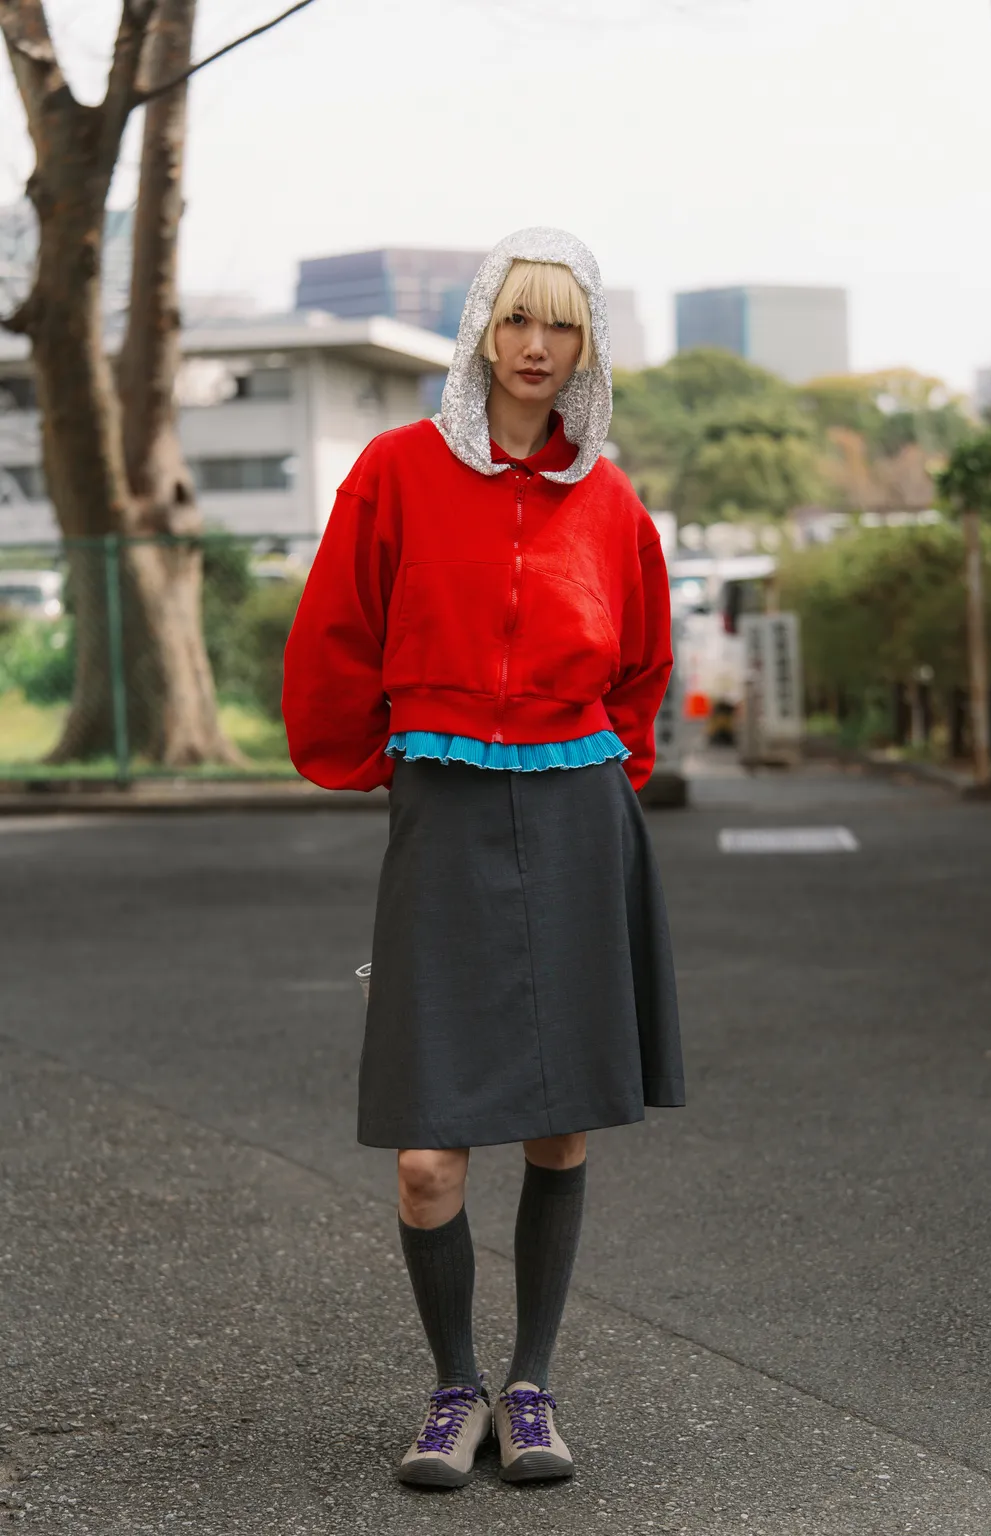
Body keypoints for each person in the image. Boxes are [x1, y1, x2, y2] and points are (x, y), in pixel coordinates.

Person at [282, 227, 685, 1488]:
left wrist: (598, 773)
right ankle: (452, 1387)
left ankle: (533, 1389)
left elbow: (642, 671)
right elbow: (337, 631)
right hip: (446, 811)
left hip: (574, 812)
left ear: (585, 348)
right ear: (480, 331)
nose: (534, 348)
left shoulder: (609, 500)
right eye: (515, 321)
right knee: (425, 1150)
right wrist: (382, 764)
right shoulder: (395, 472)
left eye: (560, 327)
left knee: (561, 1133)